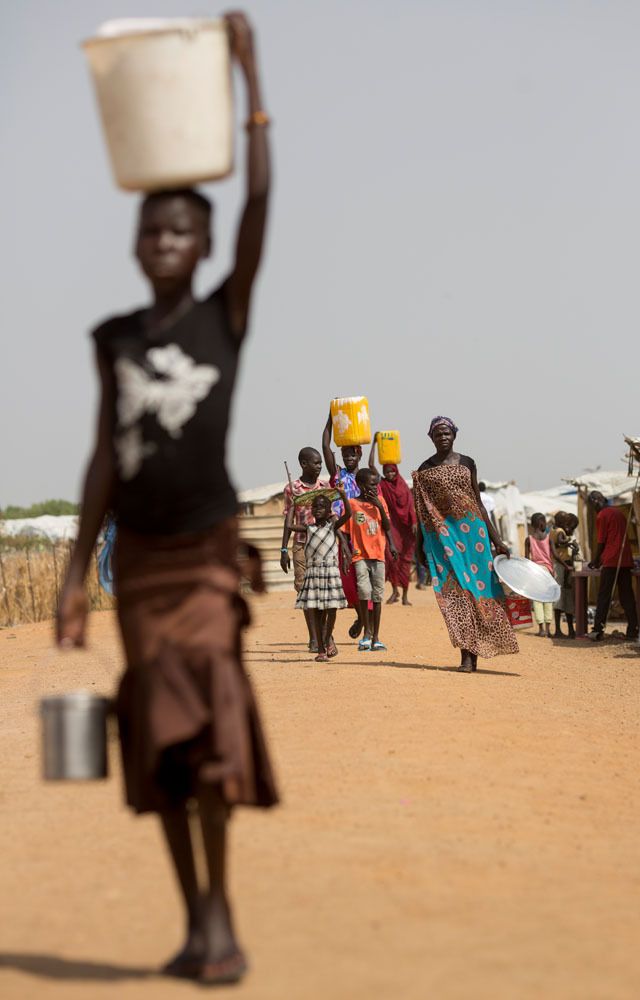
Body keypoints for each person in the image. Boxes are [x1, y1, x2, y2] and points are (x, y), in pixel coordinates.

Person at [56, 14, 277, 986]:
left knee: (213, 732)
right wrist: (75, 575)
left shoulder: (225, 315)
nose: (164, 241)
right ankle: (193, 917)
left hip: (205, 555)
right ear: (136, 243)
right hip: (141, 566)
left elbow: (260, 201)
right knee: (161, 742)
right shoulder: (114, 340)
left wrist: (250, 82)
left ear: (205, 243)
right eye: (151, 230)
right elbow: (103, 458)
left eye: (181, 230)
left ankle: (221, 911)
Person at [412, 416, 518, 672]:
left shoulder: (468, 462)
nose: (443, 437)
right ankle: (466, 656)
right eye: (438, 433)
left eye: (446, 432)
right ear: (431, 438)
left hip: (475, 538)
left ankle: (478, 649)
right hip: (444, 539)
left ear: (454, 435)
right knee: (456, 595)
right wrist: (419, 546)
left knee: (480, 592)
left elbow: (478, 503)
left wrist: (497, 540)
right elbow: (422, 512)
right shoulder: (424, 470)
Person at [287, 490, 351, 661]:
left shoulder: (332, 526)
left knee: (332, 609)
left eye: (322, 507)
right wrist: (292, 506)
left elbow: (348, 514)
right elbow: (289, 526)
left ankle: (327, 638)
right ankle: (321, 650)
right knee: (315, 611)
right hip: (314, 573)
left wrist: (343, 496)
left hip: (330, 572)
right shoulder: (308, 529)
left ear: (329, 510)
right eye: (315, 507)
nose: (318, 509)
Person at [343, 468, 398, 651]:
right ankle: (366, 635)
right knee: (364, 592)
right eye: (372, 484)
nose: (375, 488)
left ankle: (376, 637)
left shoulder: (381, 501)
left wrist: (391, 545)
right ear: (360, 485)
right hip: (360, 556)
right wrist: (346, 551)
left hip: (378, 555)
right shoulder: (352, 504)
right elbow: (344, 530)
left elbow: (387, 526)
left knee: (377, 596)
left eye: (377, 484)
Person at [280, 447, 329, 651]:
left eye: (320, 463)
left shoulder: (325, 486)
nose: (319, 466)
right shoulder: (292, 489)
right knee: (304, 590)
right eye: (315, 463)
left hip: (323, 545)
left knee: (323, 590)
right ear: (303, 464)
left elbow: (332, 517)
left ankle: (324, 634)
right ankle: (314, 638)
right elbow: (288, 520)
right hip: (301, 544)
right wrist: (284, 549)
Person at [322, 411, 364, 637]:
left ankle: (366, 621)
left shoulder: (366, 477)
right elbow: (325, 447)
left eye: (352, 454)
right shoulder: (337, 475)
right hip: (342, 534)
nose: (348, 458)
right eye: (345, 454)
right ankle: (361, 616)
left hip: (363, 534)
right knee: (348, 580)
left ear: (359, 454)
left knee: (364, 579)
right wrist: (331, 416)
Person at [369, 441, 417, 605]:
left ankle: (405, 596)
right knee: (391, 558)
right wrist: (375, 443)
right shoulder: (383, 484)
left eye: (391, 471)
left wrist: (414, 522)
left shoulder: (403, 485)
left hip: (406, 529)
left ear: (396, 471)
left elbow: (410, 505)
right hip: (391, 527)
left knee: (405, 561)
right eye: (386, 471)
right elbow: (371, 465)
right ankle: (395, 591)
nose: (389, 474)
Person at [588, 491, 638, 640]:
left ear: (596, 501)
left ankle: (598, 629)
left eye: (592, 504)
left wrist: (595, 560)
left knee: (604, 595)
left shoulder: (602, 515)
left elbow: (602, 542)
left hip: (611, 560)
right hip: (625, 559)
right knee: (627, 595)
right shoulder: (619, 513)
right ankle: (633, 629)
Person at [525, 512, 554, 637]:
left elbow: (526, 559)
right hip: (547, 571)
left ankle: (541, 629)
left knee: (537, 600)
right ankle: (548, 629)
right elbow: (554, 556)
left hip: (535, 570)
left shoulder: (529, 539)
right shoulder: (549, 538)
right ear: (542, 523)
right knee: (548, 599)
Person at [551, 512, 578, 639]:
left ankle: (561, 629)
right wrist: (569, 541)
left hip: (561, 566)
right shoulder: (560, 531)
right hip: (562, 566)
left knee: (561, 598)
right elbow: (561, 542)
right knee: (565, 597)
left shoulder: (552, 531)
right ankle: (568, 630)